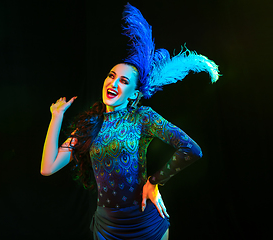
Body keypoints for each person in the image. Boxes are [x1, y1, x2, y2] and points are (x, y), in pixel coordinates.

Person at [41, 3, 220, 240]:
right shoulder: (90, 126)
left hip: (146, 223)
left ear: (134, 94)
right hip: (108, 227)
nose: (113, 83)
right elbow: (48, 167)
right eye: (111, 76)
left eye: (124, 81)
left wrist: (154, 182)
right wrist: (56, 117)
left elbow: (192, 149)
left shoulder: (142, 117)